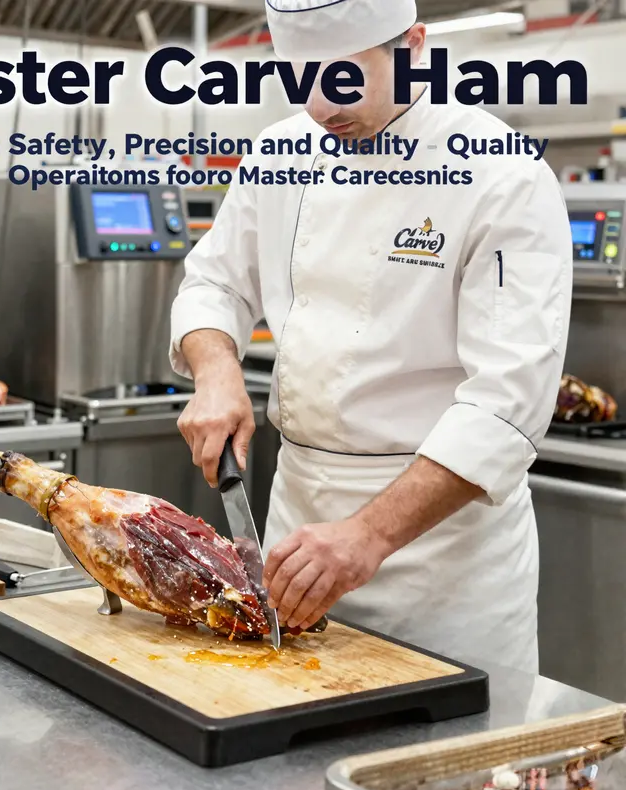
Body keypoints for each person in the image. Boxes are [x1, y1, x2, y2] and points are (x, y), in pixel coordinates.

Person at [169, 0, 573, 672]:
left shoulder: (503, 177)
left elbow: (507, 405)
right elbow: (214, 283)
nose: (324, 107)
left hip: (441, 565)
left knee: (442, 767)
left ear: (414, 46)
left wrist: (368, 536)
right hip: (296, 536)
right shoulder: (279, 153)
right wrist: (216, 371)